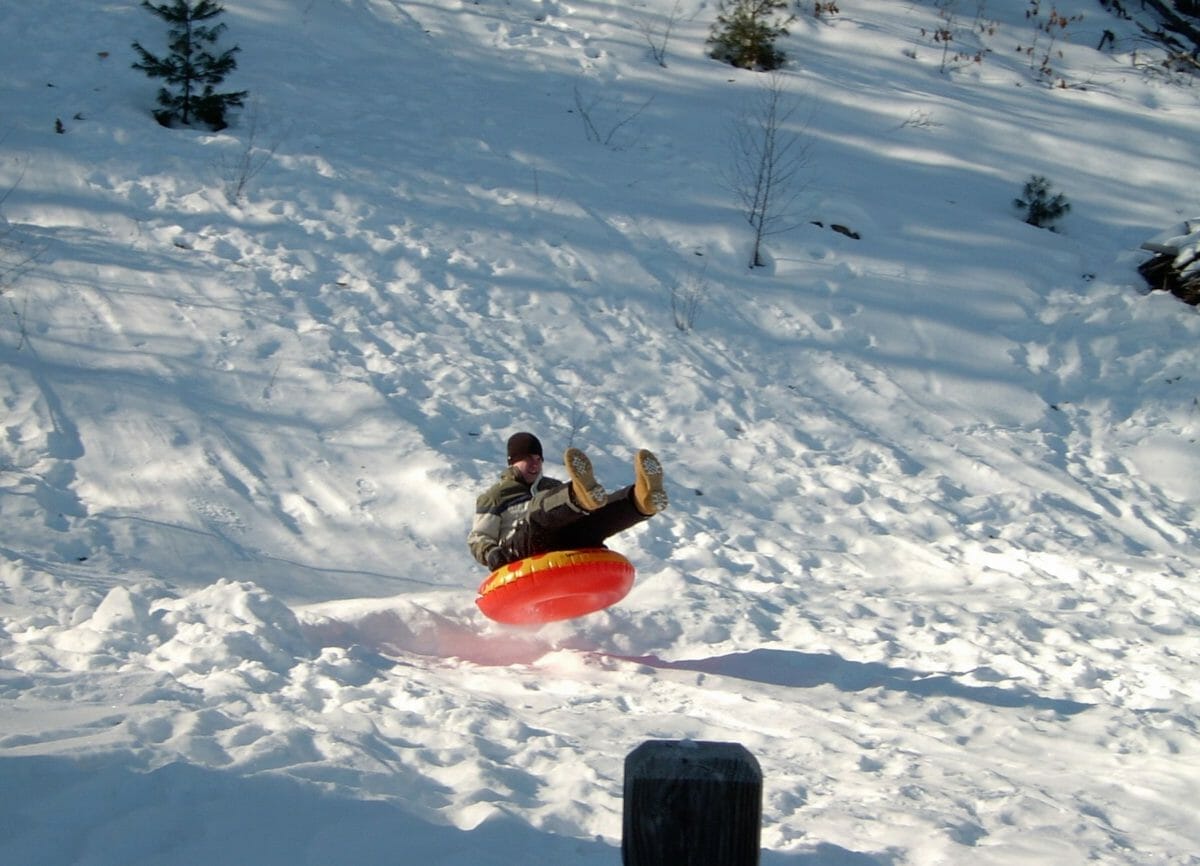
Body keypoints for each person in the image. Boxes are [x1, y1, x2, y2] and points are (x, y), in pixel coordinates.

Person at [468, 431, 669, 571]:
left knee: (591, 519)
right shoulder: (496, 495)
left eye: (539, 459)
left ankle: (640, 500)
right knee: (537, 514)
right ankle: (577, 496)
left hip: (558, 548)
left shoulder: (551, 486)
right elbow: (479, 537)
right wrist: (491, 553)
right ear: (513, 461)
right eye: (528, 458)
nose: (535, 464)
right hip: (517, 554)